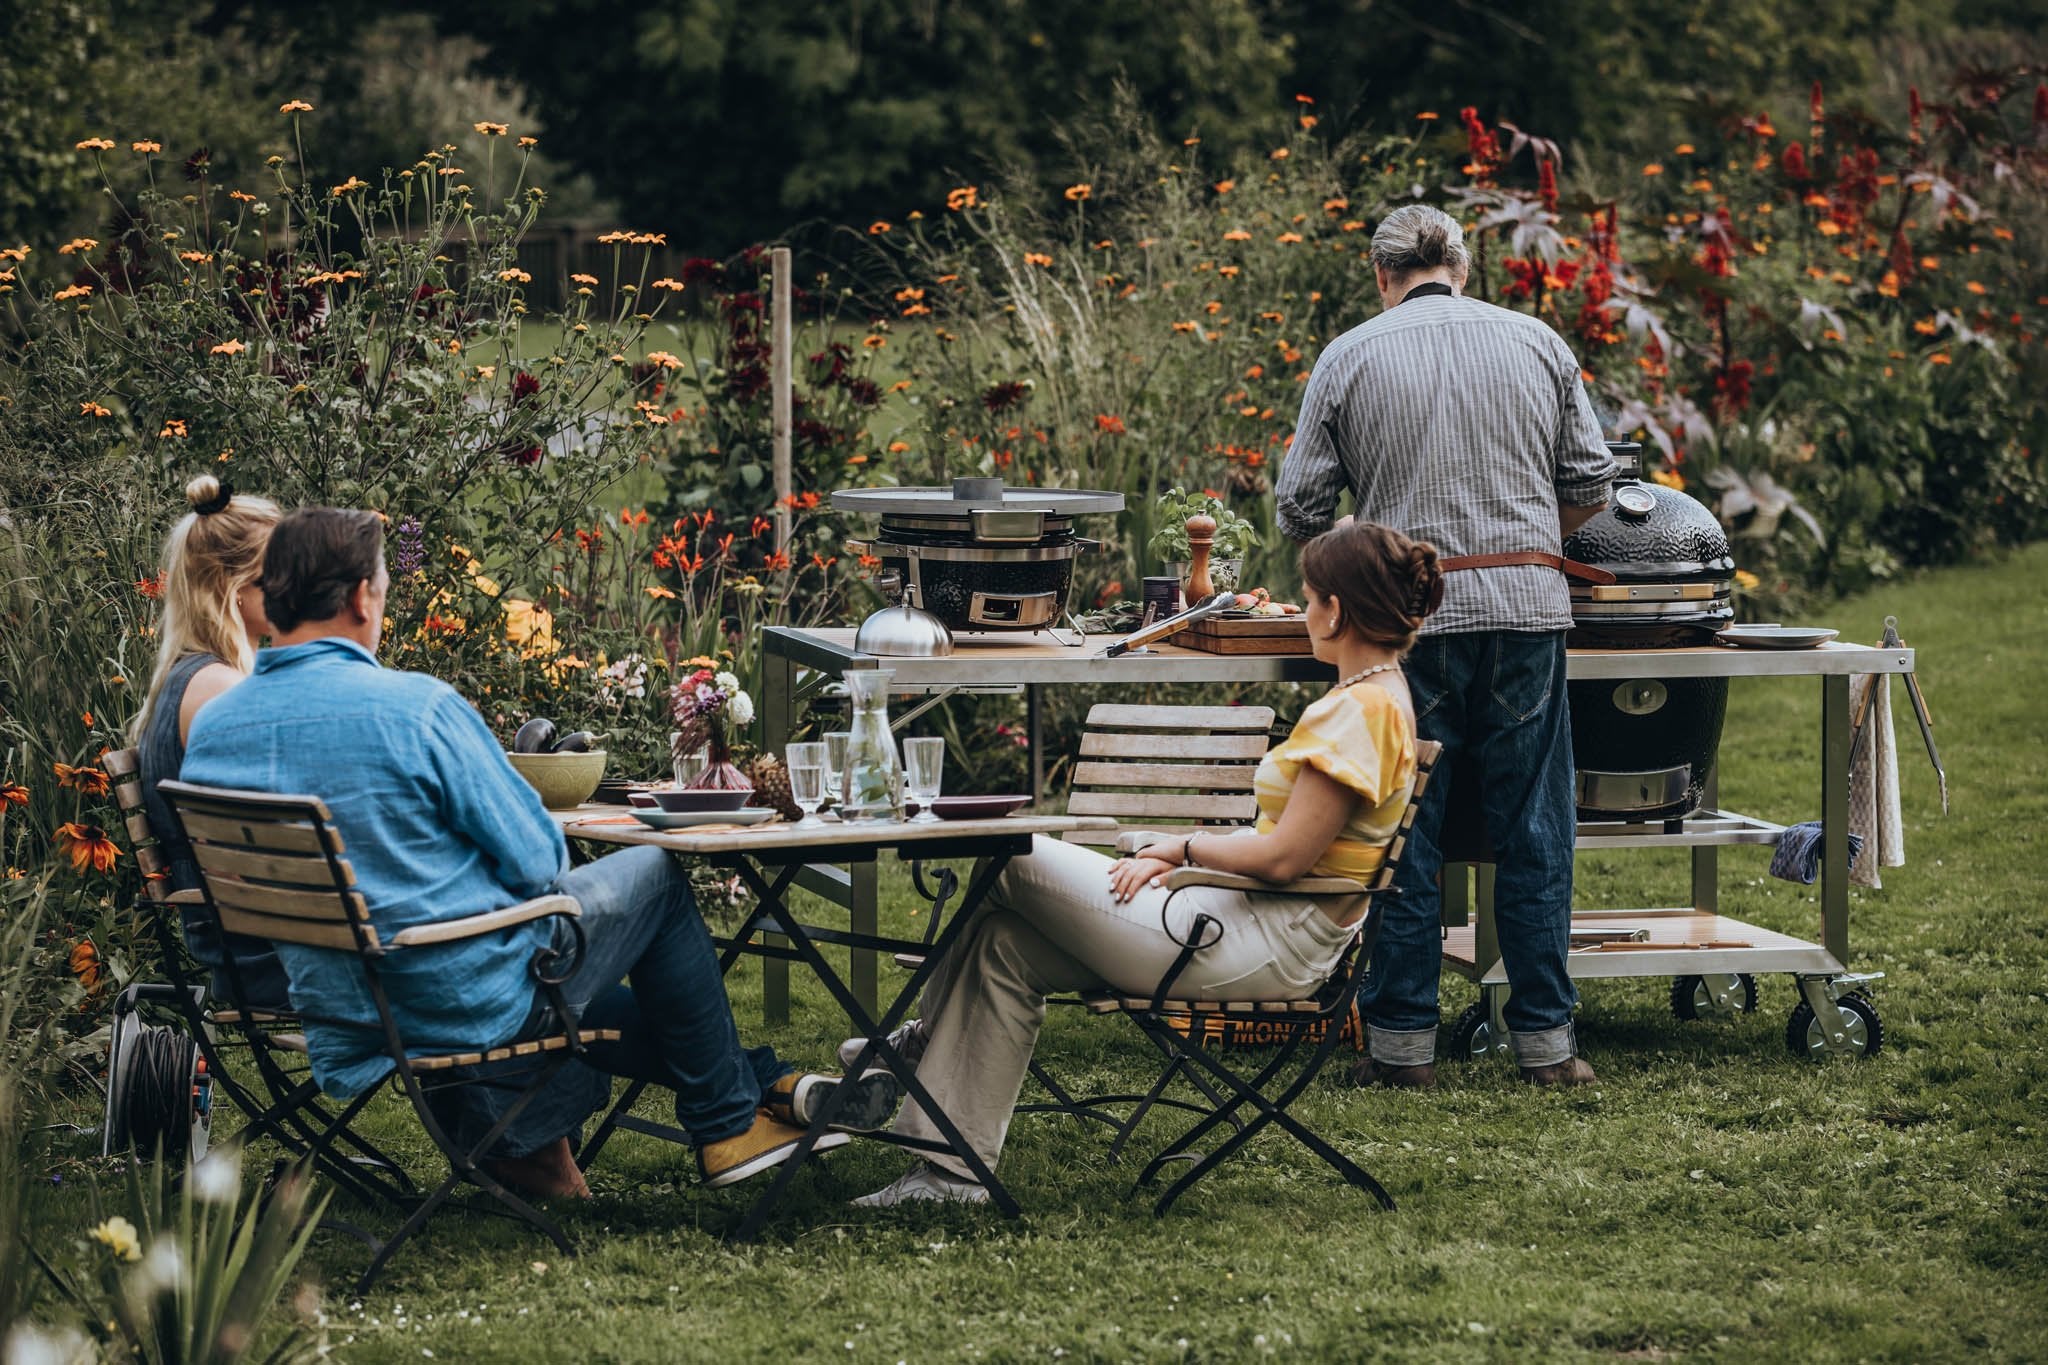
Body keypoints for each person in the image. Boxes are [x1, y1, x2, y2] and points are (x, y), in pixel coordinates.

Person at [181, 507, 899, 1197]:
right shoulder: (414, 709)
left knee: (574, 940)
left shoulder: (216, 728)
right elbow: (538, 863)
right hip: (460, 993)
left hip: (339, 1005)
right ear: (365, 598)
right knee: (651, 872)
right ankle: (727, 1120)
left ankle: (751, 1094)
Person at [849, 522, 1439, 1206]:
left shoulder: (1361, 710)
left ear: (1336, 610)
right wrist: (1183, 852)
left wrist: (1181, 850)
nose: (1303, 611)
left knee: (1004, 852)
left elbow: (1284, 858)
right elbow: (1292, 852)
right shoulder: (1380, 695)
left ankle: (916, 1046)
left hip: (1253, 942)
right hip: (1240, 918)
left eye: (1308, 599)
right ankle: (947, 1172)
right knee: (1006, 946)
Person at [1273, 202, 1616, 1089]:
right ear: (1462, 268)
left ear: (1382, 277)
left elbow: (1303, 513)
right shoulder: (1536, 341)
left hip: (1404, 625)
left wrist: (1375, 535)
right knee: (1536, 829)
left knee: (1404, 830)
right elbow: (1589, 485)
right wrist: (1532, 533)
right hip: (1527, 611)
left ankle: (1402, 1049)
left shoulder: (1350, 353)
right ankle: (1547, 1045)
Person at [129, 474, 292, 1006]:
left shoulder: (189, 678)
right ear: (234, 587)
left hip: (250, 942)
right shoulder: (218, 690)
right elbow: (271, 839)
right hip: (271, 958)